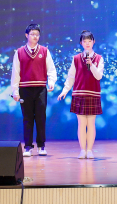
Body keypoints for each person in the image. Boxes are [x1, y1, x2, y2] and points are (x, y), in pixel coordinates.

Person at [11, 23, 56, 157]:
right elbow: (15, 73)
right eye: (32, 34)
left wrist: (51, 82)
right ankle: (28, 147)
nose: (35, 37)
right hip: (25, 89)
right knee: (27, 118)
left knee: (41, 118)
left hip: (41, 89)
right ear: (26, 35)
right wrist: (15, 91)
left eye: (37, 34)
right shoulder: (19, 52)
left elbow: (51, 69)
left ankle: (41, 146)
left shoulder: (44, 51)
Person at [58, 30, 104, 159]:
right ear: (81, 43)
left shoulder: (99, 58)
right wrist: (65, 90)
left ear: (93, 42)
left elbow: (99, 76)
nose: (87, 43)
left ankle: (90, 150)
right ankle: (82, 150)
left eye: (90, 41)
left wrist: (91, 65)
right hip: (79, 93)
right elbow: (71, 76)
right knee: (81, 124)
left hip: (93, 94)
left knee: (91, 124)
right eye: (85, 41)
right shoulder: (76, 58)